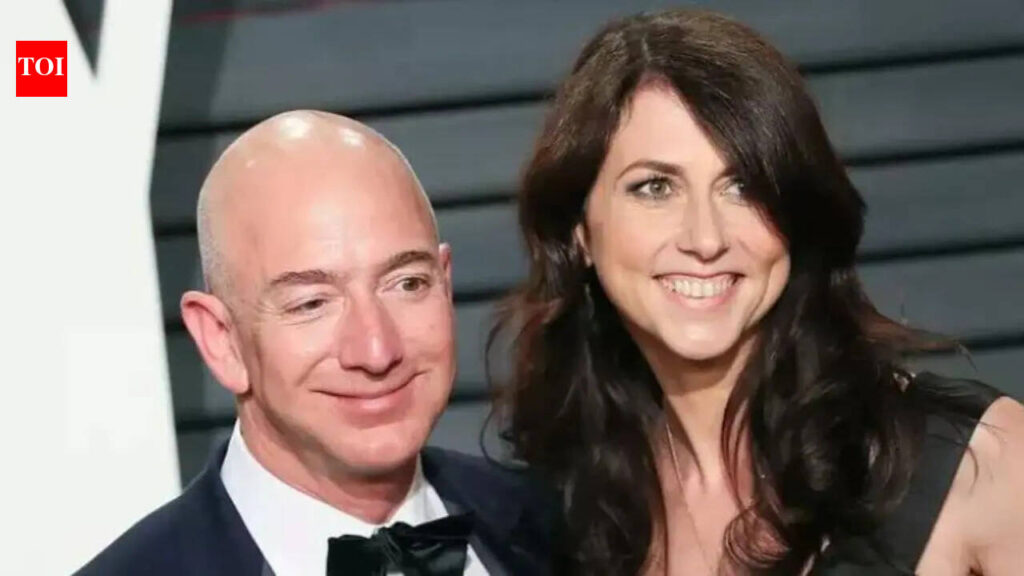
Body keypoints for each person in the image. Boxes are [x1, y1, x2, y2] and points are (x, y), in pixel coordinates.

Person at [490, 9, 1024, 576]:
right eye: (655, 187)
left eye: (742, 186)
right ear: (579, 232)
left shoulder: (979, 461)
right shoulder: (557, 520)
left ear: (796, 216)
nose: (705, 238)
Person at [76, 111, 553, 576]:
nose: (376, 351)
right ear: (221, 339)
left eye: (407, 283)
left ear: (445, 285)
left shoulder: (563, 530)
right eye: (311, 304)